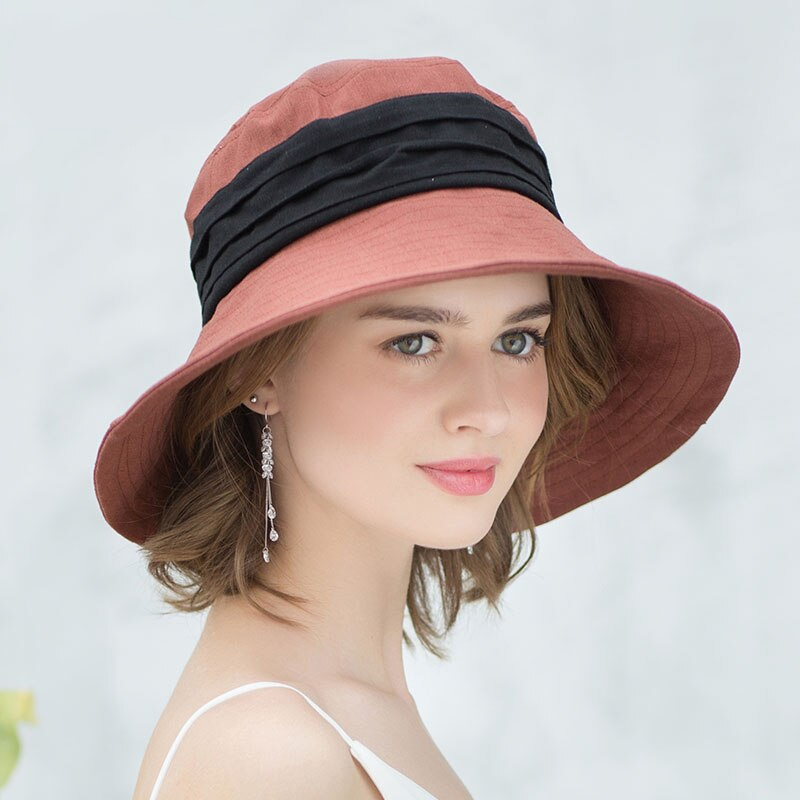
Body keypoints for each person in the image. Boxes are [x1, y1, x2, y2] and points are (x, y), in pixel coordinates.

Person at [93, 56, 740, 800]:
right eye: (414, 342)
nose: (488, 409)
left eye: (517, 340)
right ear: (256, 373)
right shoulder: (271, 759)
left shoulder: (334, 707)